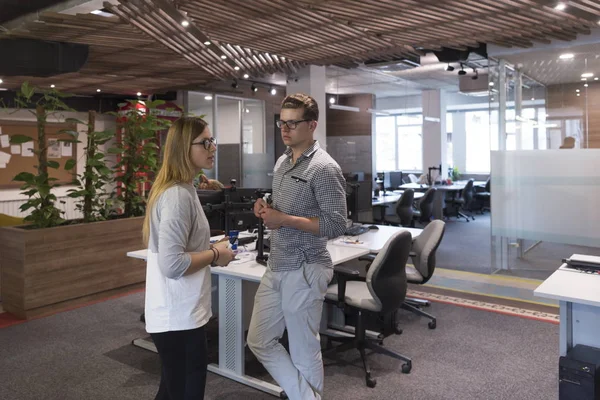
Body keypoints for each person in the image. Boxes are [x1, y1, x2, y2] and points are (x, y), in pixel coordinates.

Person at [248, 93, 347, 400]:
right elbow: (282, 210)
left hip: (305, 267)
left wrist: (285, 219)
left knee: (304, 350)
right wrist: (266, 208)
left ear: (312, 125)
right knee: (259, 339)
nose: (285, 129)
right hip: (277, 265)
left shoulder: (324, 168)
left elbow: (336, 224)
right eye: (282, 122)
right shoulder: (282, 162)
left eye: (293, 123)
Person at [142, 117, 235, 400]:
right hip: (177, 316)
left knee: (172, 389)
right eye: (205, 142)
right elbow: (172, 264)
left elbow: (179, 246)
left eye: (212, 140)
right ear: (184, 147)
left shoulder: (183, 188)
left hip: (178, 313)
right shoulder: (177, 195)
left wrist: (207, 245)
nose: (213, 147)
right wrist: (216, 254)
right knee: (184, 389)